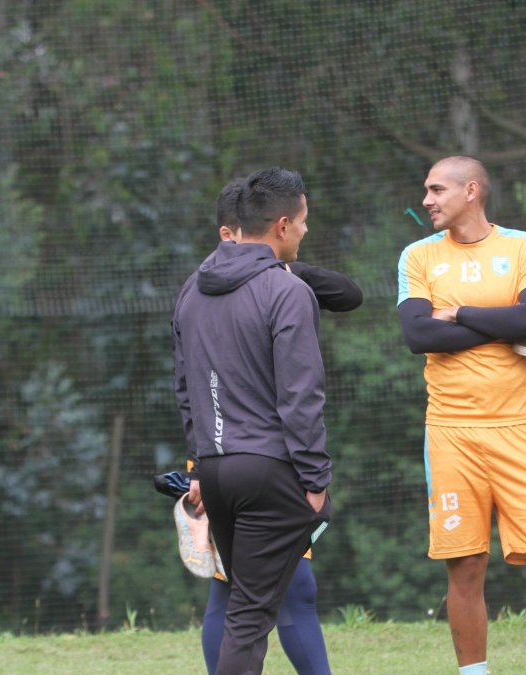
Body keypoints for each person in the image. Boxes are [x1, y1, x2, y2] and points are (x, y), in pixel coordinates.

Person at [396, 156, 526, 675]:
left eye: (436, 190)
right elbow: (418, 335)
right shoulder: (417, 256)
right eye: (426, 191)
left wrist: (459, 314)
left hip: (523, 428)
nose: (427, 200)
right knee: (466, 566)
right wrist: (505, 325)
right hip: (451, 432)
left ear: (471, 190)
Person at [179, 176, 363, 675]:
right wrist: (316, 481)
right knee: (248, 617)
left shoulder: (190, 291)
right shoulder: (286, 291)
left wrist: (198, 464)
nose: (305, 230)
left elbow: (186, 389)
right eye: (302, 222)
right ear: (282, 225)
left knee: (242, 604)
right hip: (269, 473)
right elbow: (301, 396)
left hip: (215, 471)